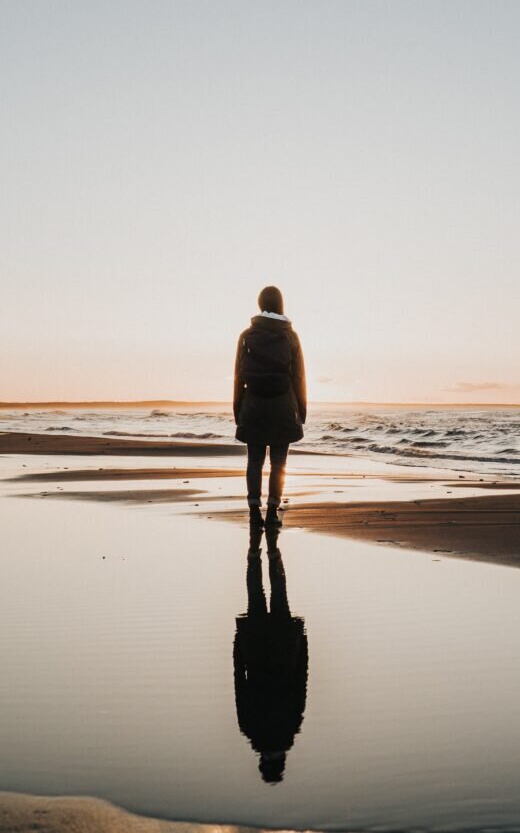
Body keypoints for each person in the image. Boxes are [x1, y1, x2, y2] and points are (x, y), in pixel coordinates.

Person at [233, 521, 309, 784]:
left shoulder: (290, 726)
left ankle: (271, 554)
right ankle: (257, 555)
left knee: (279, 593)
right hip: (255, 646)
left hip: (284, 646)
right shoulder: (250, 728)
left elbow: (300, 682)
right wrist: (238, 644)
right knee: (256, 593)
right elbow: (239, 682)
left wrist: (303, 643)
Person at [233, 286, 307, 527]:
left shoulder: (246, 335)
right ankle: (273, 511)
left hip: (253, 405)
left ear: (260, 305)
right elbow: (299, 377)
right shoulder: (291, 336)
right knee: (279, 461)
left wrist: (238, 410)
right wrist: (301, 411)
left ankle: (254, 512)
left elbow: (238, 377)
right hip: (283, 406)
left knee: (254, 461)